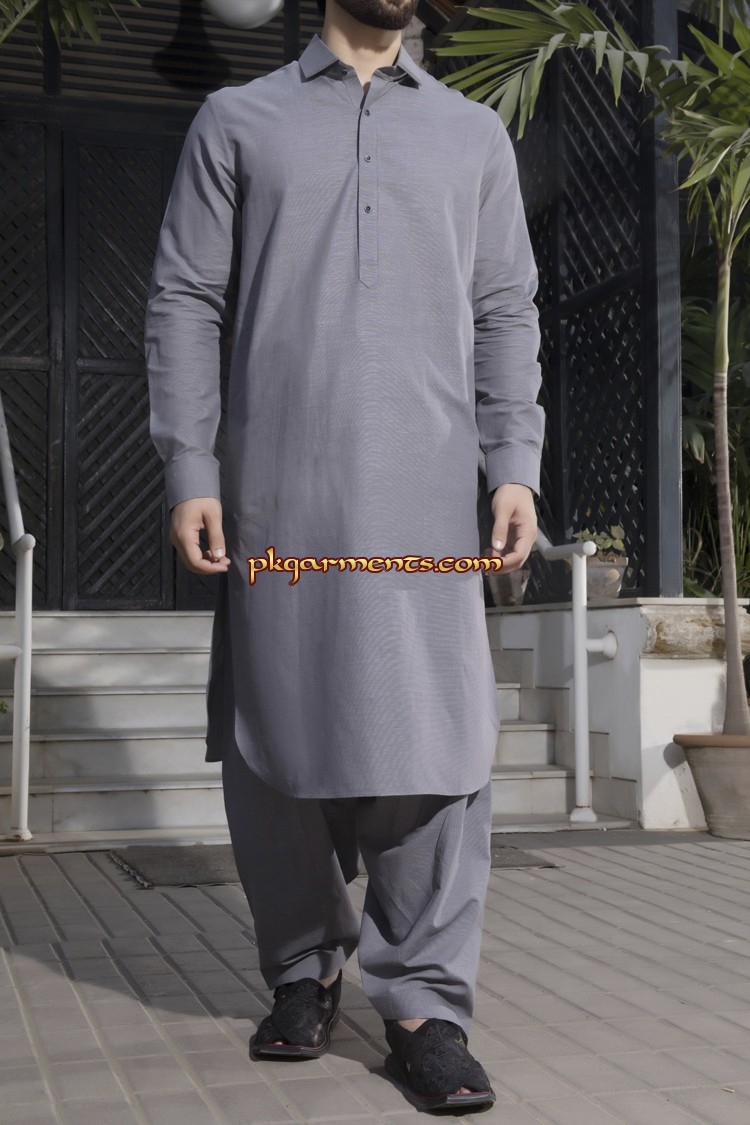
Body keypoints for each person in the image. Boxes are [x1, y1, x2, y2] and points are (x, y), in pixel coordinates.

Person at [145, 0, 544, 1111]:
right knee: (280, 728)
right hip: (280, 488)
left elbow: (506, 307)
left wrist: (514, 463)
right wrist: (192, 468)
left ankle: (423, 1005)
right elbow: (185, 299)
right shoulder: (238, 120)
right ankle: (302, 968)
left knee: (433, 743)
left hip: (431, 496)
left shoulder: (473, 133)